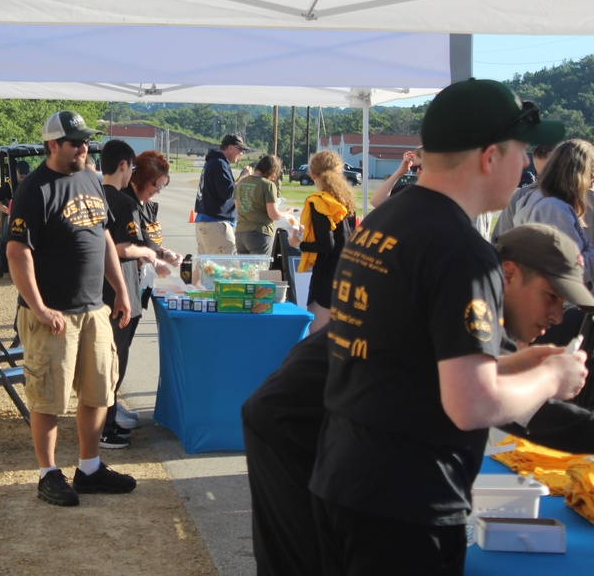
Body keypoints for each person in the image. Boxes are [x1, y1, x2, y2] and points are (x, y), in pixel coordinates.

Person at [310, 79, 584, 575]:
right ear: (489, 156)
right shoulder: (462, 250)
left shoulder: (384, 220)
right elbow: (471, 405)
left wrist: (519, 362)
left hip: (345, 476)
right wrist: (552, 380)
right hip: (407, 500)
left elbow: (409, 354)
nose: (526, 165)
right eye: (521, 151)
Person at [242, 222, 594, 576]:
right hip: (291, 432)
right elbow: (506, 406)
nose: (557, 316)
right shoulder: (468, 308)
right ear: (509, 274)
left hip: (320, 433)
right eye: (551, 297)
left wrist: (515, 366)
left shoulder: (466, 296)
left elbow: (433, 369)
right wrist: (548, 378)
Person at [5, 110, 136, 507]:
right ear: (52, 145)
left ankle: (90, 468)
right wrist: (39, 307)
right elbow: (16, 252)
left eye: (85, 142)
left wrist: (121, 291)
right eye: (74, 142)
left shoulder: (91, 180)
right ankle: (48, 473)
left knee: (99, 391)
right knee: (48, 397)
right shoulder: (34, 188)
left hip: (94, 308)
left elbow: (106, 240)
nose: (83, 147)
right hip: (53, 314)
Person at [98, 140, 159, 448]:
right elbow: (121, 248)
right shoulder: (124, 203)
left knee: (106, 360)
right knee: (115, 359)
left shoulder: (93, 196)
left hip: (98, 290)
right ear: (124, 165)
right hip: (118, 288)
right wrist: (147, 253)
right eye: (132, 166)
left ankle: (106, 418)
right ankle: (105, 426)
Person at [120, 150, 181, 427]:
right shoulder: (126, 202)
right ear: (140, 177)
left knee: (125, 345)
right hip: (124, 284)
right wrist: (154, 259)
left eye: (161, 186)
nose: (157, 191)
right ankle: (107, 410)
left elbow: (148, 240)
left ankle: (110, 403)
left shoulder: (144, 204)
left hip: (140, 284)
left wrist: (164, 254)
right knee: (117, 349)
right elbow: (128, 245)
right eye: (155, 184)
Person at [490, 139, 594, 287]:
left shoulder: (540, 200)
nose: (591, 180)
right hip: (559, 299)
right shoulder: (553, 208)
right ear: (577, 174)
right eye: (590, 173)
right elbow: (571, 270)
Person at [288, 150, 357, 331]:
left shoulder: (319, 201)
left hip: (326, 275)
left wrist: (299, 244)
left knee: (317, 334)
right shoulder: (346, 200)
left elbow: (327, 244)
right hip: (347, 273)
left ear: (312, 173)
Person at [194, 134, 248, 254]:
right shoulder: (219, 163)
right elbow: (227, 192)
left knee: (206, 266)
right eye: (240, 150)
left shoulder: (213, 162)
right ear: (230, 148)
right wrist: (242, 177)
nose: (241, 153)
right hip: (216, 223)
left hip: (205, 221)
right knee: (227, 265)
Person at [491, 144, 554, 241]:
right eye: (539, 176)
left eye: (550, 176)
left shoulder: (577, 197)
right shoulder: (521, 197)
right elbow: (499, 240)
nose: (543, 184)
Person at [234, 154, 291, 256]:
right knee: (260, 270)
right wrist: (286, 213)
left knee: (245, 271)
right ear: (272, 170)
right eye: (275, 173)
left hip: (240, 233)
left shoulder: (241, 183)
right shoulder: (267, 185)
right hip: (259, 233)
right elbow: (273, 214)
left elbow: (238, 208)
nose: (274, 178)